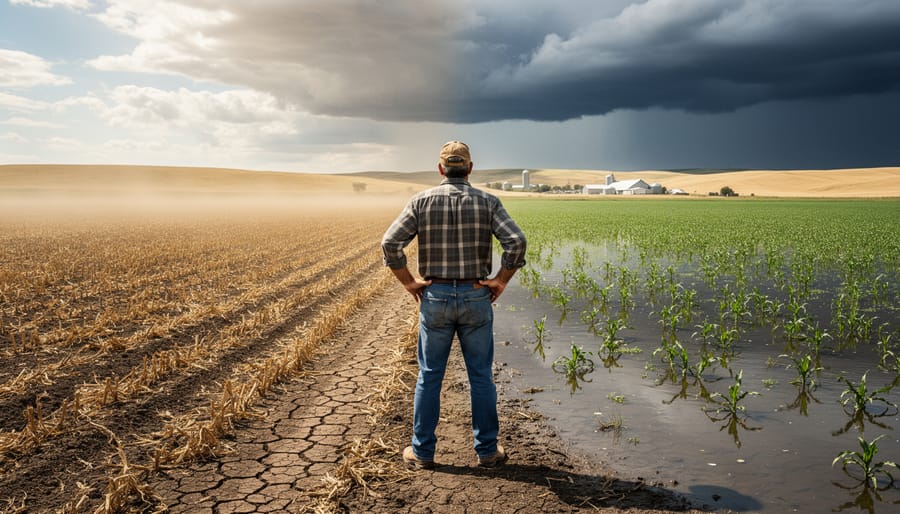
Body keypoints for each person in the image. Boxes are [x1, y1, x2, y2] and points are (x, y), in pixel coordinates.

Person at [381, 140, 527, 470]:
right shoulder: (488, 202)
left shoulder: (421, 201)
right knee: (481, 377)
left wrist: (409, 282)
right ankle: (488, 452)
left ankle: (422, 453)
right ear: (470, 168)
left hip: (435, 297)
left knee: (429, 376)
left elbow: (390, 243)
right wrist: (501, 279)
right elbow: (516, 241)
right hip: (477, 296)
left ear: (441, 169)